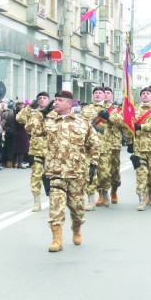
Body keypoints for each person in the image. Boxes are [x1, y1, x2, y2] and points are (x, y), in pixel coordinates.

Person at [26, 90, 99, 253]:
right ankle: (57, 238)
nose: (56, 103)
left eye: (60, 100)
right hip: (55, 172)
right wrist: (40, 114)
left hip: (76, 173)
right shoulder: (49, 121)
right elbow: (30, 129)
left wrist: (93, 163)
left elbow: (93, 144)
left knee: (78, 210)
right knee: (55, 207)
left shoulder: (82, 122)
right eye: (55, 100)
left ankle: (76, 227)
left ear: (69, 104)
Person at [130, 87, 151, 211]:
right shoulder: (134, 109)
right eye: (143, 94)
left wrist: (141, 126)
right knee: (141, 174)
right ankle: (141, 200)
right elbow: (129, 125)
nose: (145, 95)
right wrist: (129, 142)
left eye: (147, 94)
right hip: (139, 147)